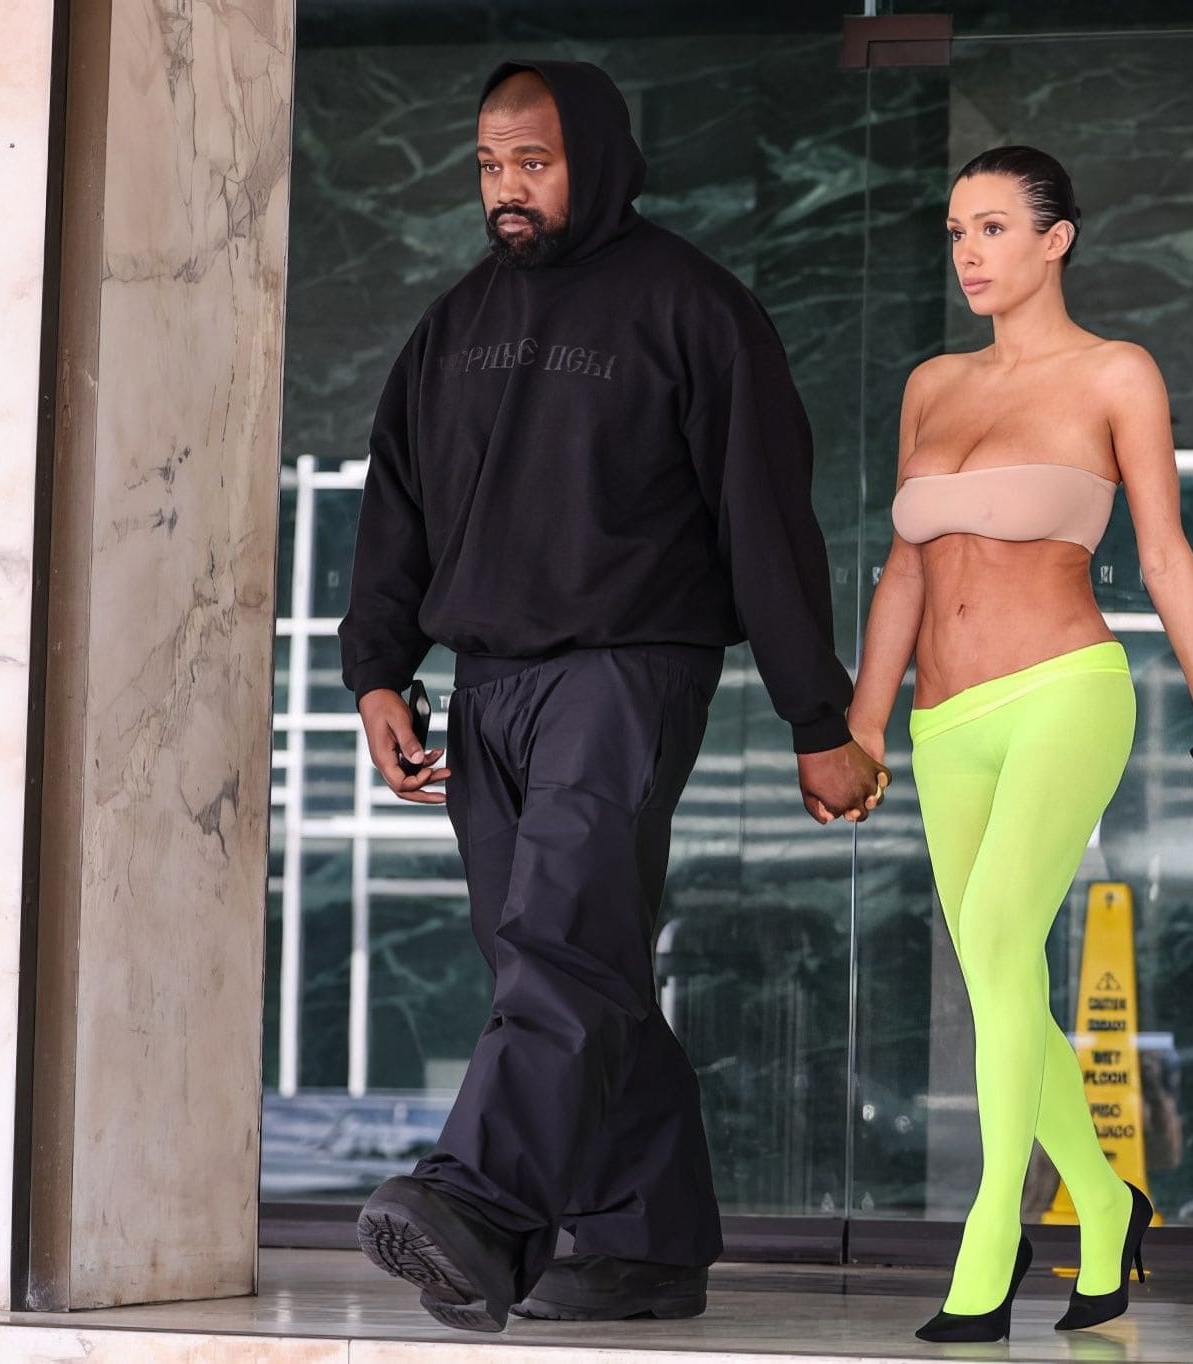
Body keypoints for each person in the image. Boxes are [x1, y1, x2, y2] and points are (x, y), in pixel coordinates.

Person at [337, 60, 888, 1333]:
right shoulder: (454, 323)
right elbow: (393, 505)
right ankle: (645, 1241)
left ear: (594, 157)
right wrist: (375, 671)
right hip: (486, 680)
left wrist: (816, 716)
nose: (506, 187)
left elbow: (765, 519)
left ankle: (477, 1204)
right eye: (489, 165)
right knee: (558, 957)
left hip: (627, 668)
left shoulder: (693, 307)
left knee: (560, 939)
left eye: (531, 162)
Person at [847, 146, 1193, 1342]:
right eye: (954, 232)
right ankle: (1103, 1194)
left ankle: (993, 1233)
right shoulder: (931, 384)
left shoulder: (1114, 372)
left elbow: (1165, 553)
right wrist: (863, 722)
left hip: (1063, 691)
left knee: (992, 937)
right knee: (995, 974)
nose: (966, 252)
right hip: (942, 722)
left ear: (1055, 237)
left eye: (990, 227)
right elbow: (902, 571)